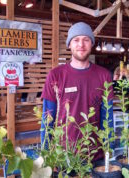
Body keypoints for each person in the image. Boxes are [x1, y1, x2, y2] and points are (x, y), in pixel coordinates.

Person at [41, 22, 114, 161]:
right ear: (69, 44)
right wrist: (46, 157)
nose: (81, 44)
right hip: (63, 156)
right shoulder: (55, 75)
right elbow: (47, 119)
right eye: (76, 40)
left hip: (95, 156)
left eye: (86, 40)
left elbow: (108, 119)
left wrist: (108, 153)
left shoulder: (104, 76)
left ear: (91, 44)